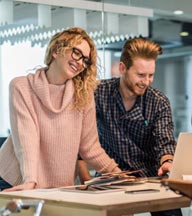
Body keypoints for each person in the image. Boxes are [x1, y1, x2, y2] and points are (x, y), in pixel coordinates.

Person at [0, 27, 121, 192]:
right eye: (76, 53)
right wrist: (30, 180)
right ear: (56, 50)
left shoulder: (83, 96)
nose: (80, 62)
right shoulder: (21, 87)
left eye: (85, 60)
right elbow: (27, 138)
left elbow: (90, 147)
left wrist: (119, 175)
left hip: (58, 185)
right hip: (16, 179)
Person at [77, 38, 182, 216]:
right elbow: (80, 139)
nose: (147, 82)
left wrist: (167, 162)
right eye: (141, 75)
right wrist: (86, 179)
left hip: (151, 176)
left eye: (151, 75)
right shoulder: (98, 93)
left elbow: (165, 141)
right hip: (110, 177)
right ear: (122, 68)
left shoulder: (158, 101)